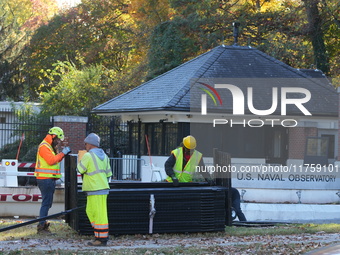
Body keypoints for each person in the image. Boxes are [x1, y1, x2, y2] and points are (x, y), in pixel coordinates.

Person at [77, 133, 112, 246]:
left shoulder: (88, 156)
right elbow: (108, 174)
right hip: (100, 188)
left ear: (90, 144)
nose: (85, 146)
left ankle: (102, 239)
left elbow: (80, 169)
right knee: (92, 212)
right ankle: (99, 234)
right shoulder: (105, 156)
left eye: (86, 143)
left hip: (95, 189)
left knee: (99, 215)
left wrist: (80, 158)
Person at [34, 126, 71, 234]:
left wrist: (61, 153)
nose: (59, 142)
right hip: (45, 179)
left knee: (47, 203)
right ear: (53, 136)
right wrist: (63, 153)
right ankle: (41, 227)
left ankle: (43, 225)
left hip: (47, 179)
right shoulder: (44, 146)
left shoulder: (48, 146)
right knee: (46, 203)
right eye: (58, 139)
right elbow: (51, 161)